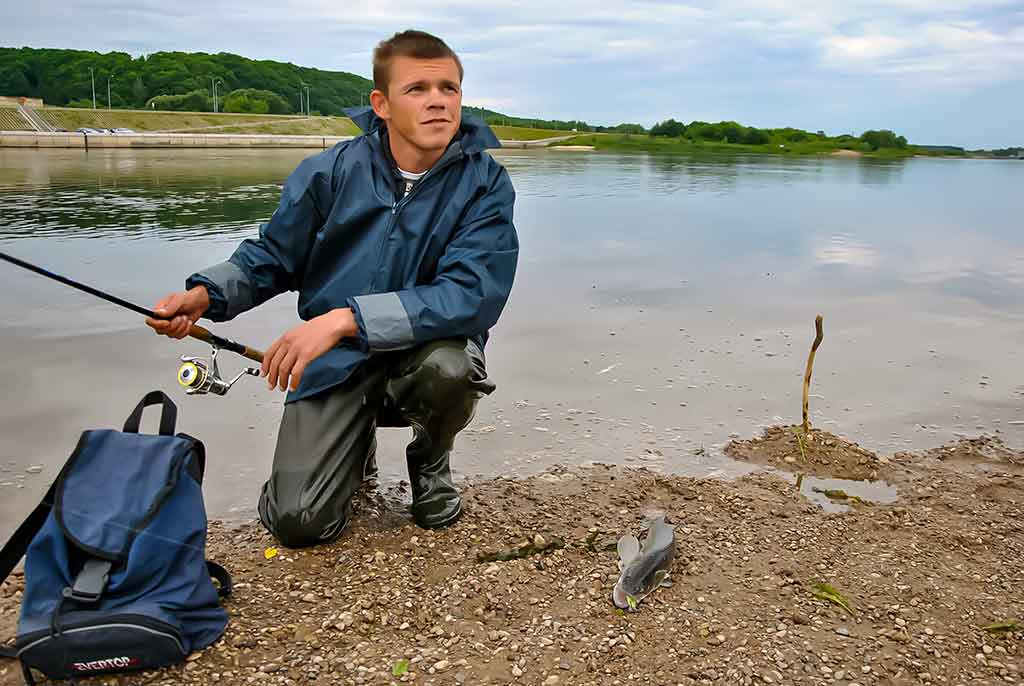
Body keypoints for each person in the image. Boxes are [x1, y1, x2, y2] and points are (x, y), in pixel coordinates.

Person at [146, 30, 519, 548]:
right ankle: (348, 442)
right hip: (337, 362)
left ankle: (430, 460)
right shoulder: (328, 172)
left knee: (452, 370)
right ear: (381, 104)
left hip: (424, 354)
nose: (438, 100)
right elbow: (272, 257)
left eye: (449, 88)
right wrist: (206, 295)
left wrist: (345, 318)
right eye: (417, 89)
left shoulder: (485, 184)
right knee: (297, 523)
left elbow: (470, 294)